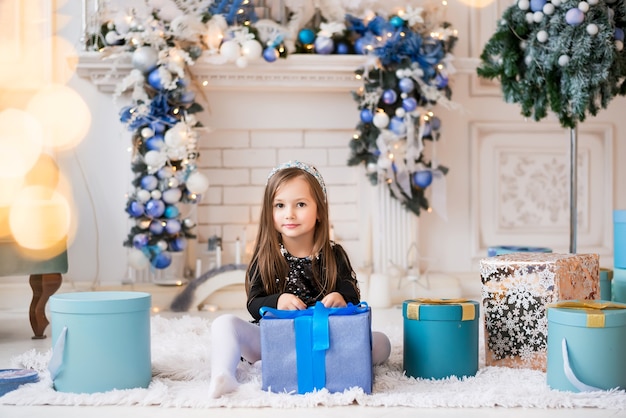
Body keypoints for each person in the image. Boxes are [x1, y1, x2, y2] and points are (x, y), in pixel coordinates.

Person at [208, 161, 391, 398]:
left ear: (319, 211)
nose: (289, 214)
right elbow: (254, 303)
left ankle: (313, 364)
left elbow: (352, 293)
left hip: (324, 341)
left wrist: (341, 297)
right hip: (274, 342)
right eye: (280, 205)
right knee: (224, 323)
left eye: (301, 204)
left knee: (381, 342)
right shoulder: (265, 257)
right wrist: (278, 301)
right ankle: (223, 375)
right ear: (269, 211)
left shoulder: (334, 255)